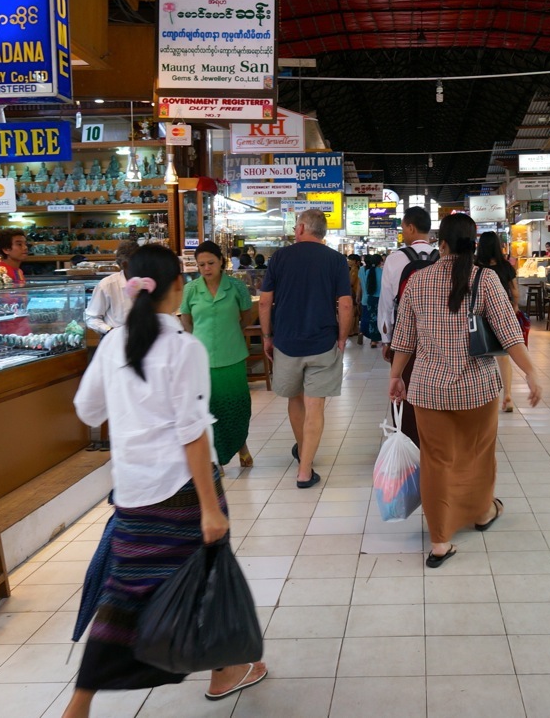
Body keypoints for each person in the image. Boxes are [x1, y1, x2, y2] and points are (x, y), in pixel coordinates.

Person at [64, 245, 267, 717]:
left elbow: (87, 410)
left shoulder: (114, 342)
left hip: (132, 489)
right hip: (183, 491)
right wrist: (211, 508)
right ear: (176, 286)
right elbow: (192, 432)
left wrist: (129, 408)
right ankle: (225, 670)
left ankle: (80, 700)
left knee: (125, 590)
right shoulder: (182, 347)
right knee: (208, 577)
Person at [388, 214, 542, 568]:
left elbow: (404, 338)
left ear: (441, 244)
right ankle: (483, 511)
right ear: (473, 245)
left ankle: (440, 541)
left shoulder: (418, 280)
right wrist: (531, 373)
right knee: (478, 454)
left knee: (436, 461)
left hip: (428, 390)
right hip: (478, 389)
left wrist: (396, 376)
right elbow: (509, 333)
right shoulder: (485, 280)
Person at [259, 209, 353, 488]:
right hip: (323, 342)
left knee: (295, 400)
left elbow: (265, 302)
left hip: (286, 343)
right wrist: (342, 338)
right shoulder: (336, 260)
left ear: (301, 228)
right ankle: (304, 469)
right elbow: (345, 304)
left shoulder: (280, 257)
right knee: (316, 406)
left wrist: (266, 336)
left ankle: (303, 451)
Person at [180, 241, 259, 469]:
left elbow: (246, 317)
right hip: (201, 358)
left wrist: (232, 332)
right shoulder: (191, 289)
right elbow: (186, 318)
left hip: (232, 355)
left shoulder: (236, 287)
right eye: (201, 264)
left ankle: (241, 446)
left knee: (236, 405)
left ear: (221, 262)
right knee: (208, 408)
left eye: (211, 263)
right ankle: (214, 458)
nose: (206, 268)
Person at [379, 206, 437, 444]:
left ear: (411, 227)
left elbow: (386, 304)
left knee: (404, 387)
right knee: (435, 387)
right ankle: (435, 439)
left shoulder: (395, 259)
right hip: (438, 336)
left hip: (404, 340)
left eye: (403, 227)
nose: (402, 232)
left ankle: (408, 440)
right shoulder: (442, 257)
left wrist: (386, 340)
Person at [476, 232, 523, 413]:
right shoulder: (506, 267)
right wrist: (515, 307)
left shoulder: (476, 267)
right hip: (502, 312)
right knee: (503, 356)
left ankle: (482, 397)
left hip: (480, 315)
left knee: (481, 355)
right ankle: (508, 395)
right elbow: (515, 292)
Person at [84, 241, 139, 335]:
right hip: (114, 341)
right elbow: (92, 318)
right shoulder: (107, 285)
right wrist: (110, 331)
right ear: (125, 264)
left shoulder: (147, 283)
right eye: (138, 261)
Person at [359, 253, 383, 348]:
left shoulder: (368, 272)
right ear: (380, 262)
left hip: (370, 299)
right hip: (381, 299)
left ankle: (373, 340)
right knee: (382, 319)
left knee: (372, 319)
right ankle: (384, 339)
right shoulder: (383, 272)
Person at [347, 254, 363, 343]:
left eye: (350, 260)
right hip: (357, 292)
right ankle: (355, 329)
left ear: (356, 262)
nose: (349, 261)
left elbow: (351, 282)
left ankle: (351, 331)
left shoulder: (354, 270)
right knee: (356, 312)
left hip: (353, 292)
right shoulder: (358, 270)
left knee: (352, 312)